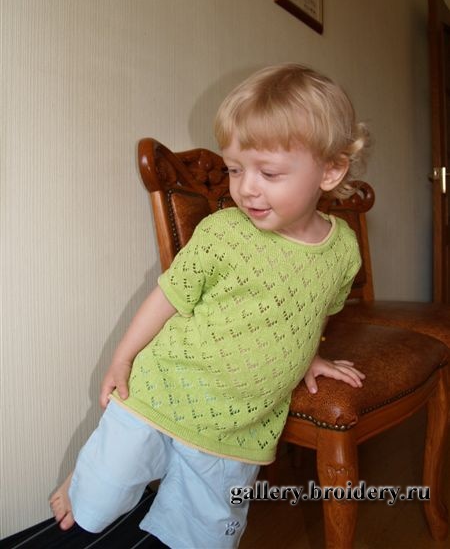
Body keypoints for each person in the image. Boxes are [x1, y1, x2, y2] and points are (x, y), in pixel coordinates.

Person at [50, 63, 370, 548]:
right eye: (235, 169)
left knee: (203, 536)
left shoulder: (342, 248)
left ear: (330, 171)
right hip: (165, 387)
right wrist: (122, 357)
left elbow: (313, 310)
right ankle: (86, 478)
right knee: (100, 496)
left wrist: (310, 356)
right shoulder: (223, 232)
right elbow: (168, 296)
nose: (246, 187)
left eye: (268, 173)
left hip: (241, 423)